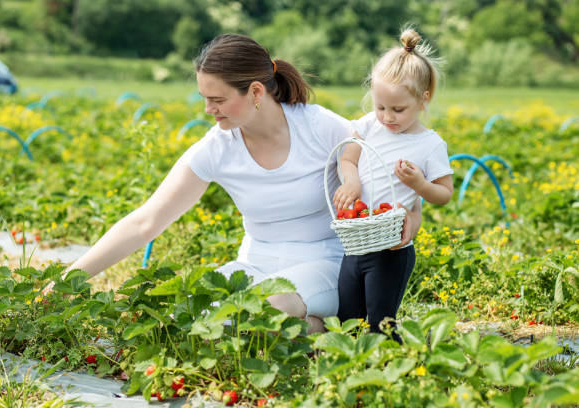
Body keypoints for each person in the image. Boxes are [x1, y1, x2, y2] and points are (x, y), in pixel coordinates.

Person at [46, 34, 423, 333]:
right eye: (204, 99)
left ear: (256, 92)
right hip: (255, 263)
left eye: (218, 100)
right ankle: (314, 332)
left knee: (261, 309)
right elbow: (147, 221)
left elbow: (390, 175)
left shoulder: (321, 127)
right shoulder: (217, 148)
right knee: (190, 312)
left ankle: (321, 328)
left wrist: (412, 220)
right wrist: (66, 280)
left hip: (323, 262)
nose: (209, 110)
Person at [333, 28, 453, 338]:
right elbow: (347, 159)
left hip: (392, 246)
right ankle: (351, 369)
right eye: (381, 107)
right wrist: (352, 182)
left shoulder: (429, 144)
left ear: (423, 100)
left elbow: (444, 194)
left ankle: (392, 369)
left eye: (398, 110)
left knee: (380, 321)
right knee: (347, 316)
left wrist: (420, 185)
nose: (387, 117)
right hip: (357, 241)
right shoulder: (368, 127)